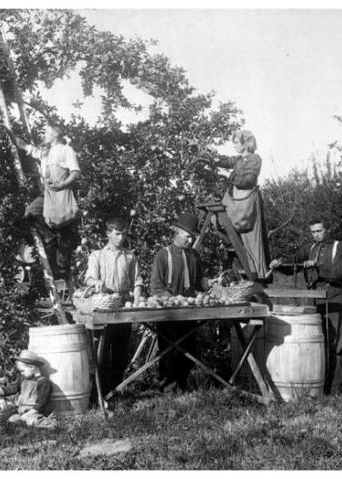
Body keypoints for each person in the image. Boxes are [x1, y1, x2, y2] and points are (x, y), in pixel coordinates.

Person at [269, 219, 342, 394]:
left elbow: (338, 274)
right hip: (314, 299)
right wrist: (279, 263)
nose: (316, 235)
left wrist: (317, 265)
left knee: (336, 342)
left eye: (319, 231)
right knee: (318, 341)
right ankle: (319, 387)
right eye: (313, 232)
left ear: (327, 230)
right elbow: (294, 262)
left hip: (333, 298)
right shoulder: (310, 248)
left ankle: (336, 389)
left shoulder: (340, 247)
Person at [149, 213, 210, 393]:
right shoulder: (162, 255)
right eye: (188, 236)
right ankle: (166, 388)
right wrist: (172, 299)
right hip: (168, 312)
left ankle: (182, 386)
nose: (191, 240)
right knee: (167, 350)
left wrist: (210, 283)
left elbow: (200, 283)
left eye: (193, 237)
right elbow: (155, 287)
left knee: (188, 349)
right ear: (177, 232)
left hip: (189, 312)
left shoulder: (194, 257)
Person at [15, 123, 81, 291]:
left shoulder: (66, 150)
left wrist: (63, 185)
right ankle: (49, 237)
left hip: (61, 194)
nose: (44, 134)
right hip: (48, 194)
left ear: (56, 133)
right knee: (31, 213)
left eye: (47, 132)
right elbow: (26, 147)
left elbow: (75, 172)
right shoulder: (46, 152)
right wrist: (9, 133)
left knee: (64, 235)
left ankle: (65, 279)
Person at [84, 217, 144, 394]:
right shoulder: (98, 256)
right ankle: (100, 392)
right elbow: (89, 278)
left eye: (123, 234)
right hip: (104, 306)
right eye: (117, 234)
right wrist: (96, 283)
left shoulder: (130, 256)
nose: (121, 238)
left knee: (121, 350)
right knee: (102, 353)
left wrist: (135, 303)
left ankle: (117, 390)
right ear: (108, 234)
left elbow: (137, 281)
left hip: (123, 307)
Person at [214, 129, 271, 282]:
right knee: (220, 223)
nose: (233, 145)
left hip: (247, 205)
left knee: (251, 239)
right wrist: (210, 155)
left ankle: (257, 275)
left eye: (236, 143)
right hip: (236, 203)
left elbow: (248, 181)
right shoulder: (239, 160)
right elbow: (224, 160)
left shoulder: (254, 159)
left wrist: (228, 175)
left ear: (246, 144)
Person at [0, 350, 56, 428]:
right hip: (22, 411)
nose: (21, 373)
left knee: (32, 421)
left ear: (32, 367)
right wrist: (0, 390)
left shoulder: (43, 382)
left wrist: (30, 413)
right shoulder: (23, 379)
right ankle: (23, 422)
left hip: (36, 412)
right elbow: (14, 388)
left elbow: (43, 403)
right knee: (11, 420)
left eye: (22, 371)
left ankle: (50, 423)